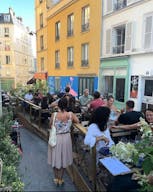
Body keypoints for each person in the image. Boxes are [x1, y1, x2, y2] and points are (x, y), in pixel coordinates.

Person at [48, 97, 79, 186]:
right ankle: (61, 179)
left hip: (56, 137)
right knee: (63, 158)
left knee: (55, 157)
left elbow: (50, 125)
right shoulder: (70, 114)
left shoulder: (54, 115)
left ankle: (56, 178)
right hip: (66, 138)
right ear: (67, 105)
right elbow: (77, 121)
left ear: (58, 105)